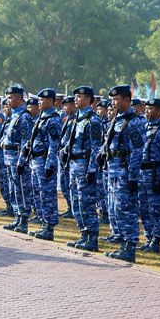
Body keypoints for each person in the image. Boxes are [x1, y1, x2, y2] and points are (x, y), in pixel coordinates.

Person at [100, 85, 144, 262]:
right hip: (113, 169)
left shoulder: (135, 122)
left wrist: (133, 176)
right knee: (116, 208)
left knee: (126, 209)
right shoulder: (116, 120)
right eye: (112, 100)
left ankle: (130, 246)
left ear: (127, 100)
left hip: (125, 172)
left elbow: (137, 150)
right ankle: (122, 243)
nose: (113, 103)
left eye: (116, 99)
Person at [63, 86, 103, 251]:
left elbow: (96, 148)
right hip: (73, 165)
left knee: (86, 203)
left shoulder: (93, 120)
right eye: (75, 97)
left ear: (88, 99)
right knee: (75, 202)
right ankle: (83, 234)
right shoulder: (76, 118)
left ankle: (92, 238)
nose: (75, 100)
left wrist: (91, 171)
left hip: (85, 166)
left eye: (79, 97)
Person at [25, 88, 63, 240]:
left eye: (42, 100)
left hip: (44, 162)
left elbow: (54, 145)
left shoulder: (53, 119)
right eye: (39, 100)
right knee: (38, 193)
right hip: (36, 161)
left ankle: (49, 227)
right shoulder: (41, 118)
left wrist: (50, 165)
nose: (39, 102)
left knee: (47, 194)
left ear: (51, 101)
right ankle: (43, 223)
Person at [137, 98, 160, 253]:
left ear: (158, 111)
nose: (147, 111)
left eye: (150, 109)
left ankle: (156, 239)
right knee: (144, 208)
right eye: (146, 108)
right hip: (142, 174)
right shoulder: (143, 128)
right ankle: (149, 236)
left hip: (155, 175)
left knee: (156, 208)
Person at [0, 86, 34, 233]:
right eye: (7, 97)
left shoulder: (24, 117)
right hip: (8, 158)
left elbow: (25, 142)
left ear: (19, 98)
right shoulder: (13, 115)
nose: (8, 100)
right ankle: (17, 218)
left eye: (11, 97)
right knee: (13, 189)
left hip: (17, 159)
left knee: (21, 190)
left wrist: (21, 162)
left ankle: (24, 221)